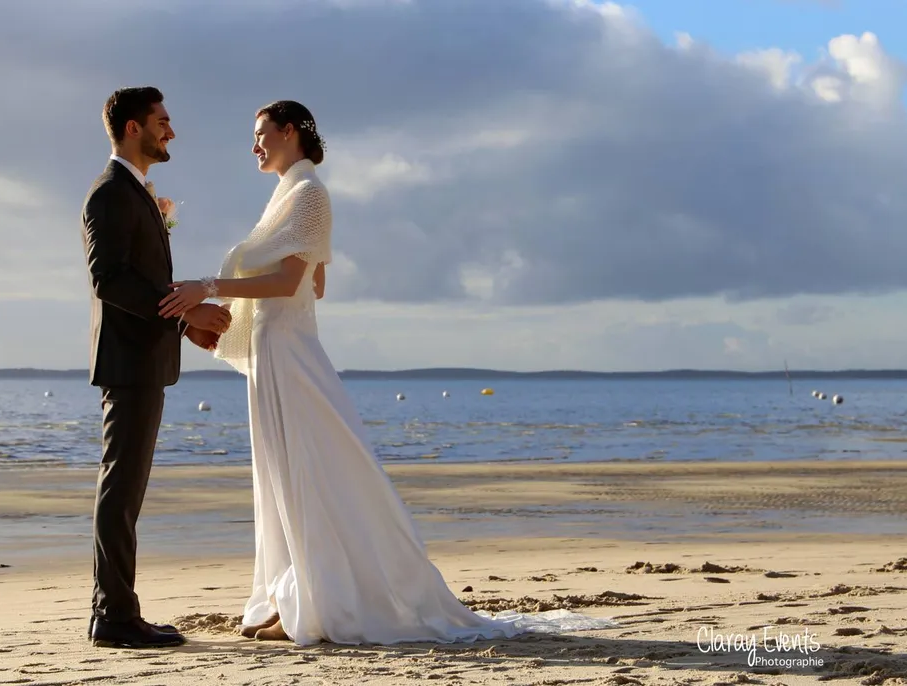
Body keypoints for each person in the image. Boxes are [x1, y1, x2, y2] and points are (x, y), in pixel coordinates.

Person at [159, 101, 608, 645]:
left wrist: (211, 287)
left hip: (291, 352)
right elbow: (316, 284)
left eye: (261, 134)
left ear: (291, 132)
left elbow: (291, 284)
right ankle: (293, 593)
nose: (254, 145)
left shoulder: (308, 195)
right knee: (282, 478)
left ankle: (320, 602)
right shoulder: (285, 198)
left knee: (310, 474)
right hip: (273, 349)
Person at [81, 86, 232, 649]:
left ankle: (114, 610)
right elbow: (109, 279)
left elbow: (139, 282)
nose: (171, 131)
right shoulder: (111, 193)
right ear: (131, 127)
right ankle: (114, 617)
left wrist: (182, 324)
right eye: (162, 121)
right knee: (120, 491)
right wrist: (186, 308)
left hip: (144, 359)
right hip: (128, 363)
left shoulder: (137, 193)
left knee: (126, 490)